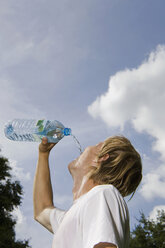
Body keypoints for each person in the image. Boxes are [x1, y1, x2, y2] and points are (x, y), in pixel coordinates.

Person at [33, 135, 142, 248]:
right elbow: (42, 211)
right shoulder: (78, 212)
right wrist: (43, 154)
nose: (85, 148)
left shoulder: (103, 194)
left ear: (101, 158)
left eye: (95, 146)